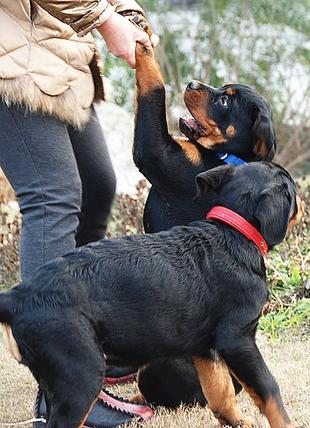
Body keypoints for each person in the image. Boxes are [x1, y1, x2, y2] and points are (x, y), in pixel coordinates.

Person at [0, 0, 158, 425]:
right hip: (11, 53)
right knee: (52, 197)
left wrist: (125, 11)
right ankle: (59, 388)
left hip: (57, 52)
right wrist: (105, 20)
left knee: (96, 187)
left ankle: (84, 345)